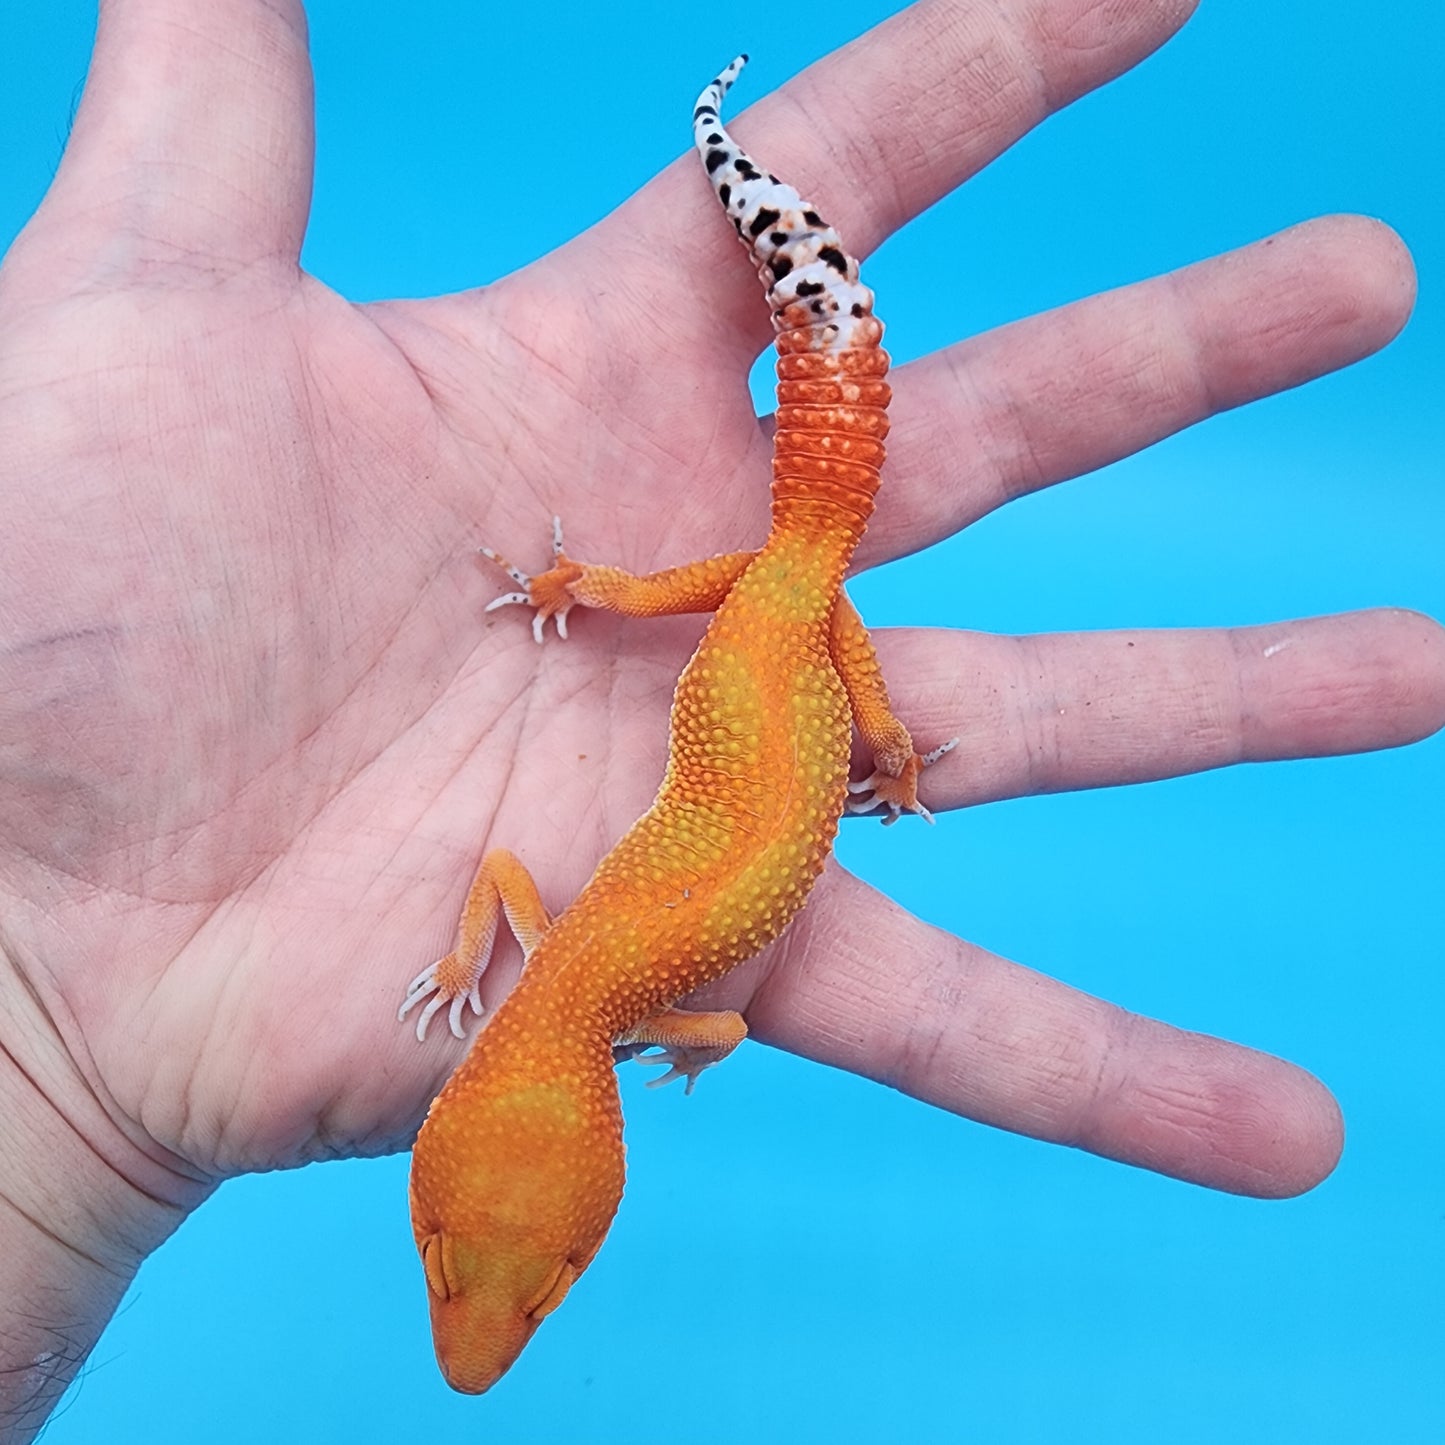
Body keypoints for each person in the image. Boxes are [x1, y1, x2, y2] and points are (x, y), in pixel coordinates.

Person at [0, 0, 1439, 1436]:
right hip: (777, 620)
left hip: (774, 614)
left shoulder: (636, 999)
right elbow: (521, 898)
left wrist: (838, 798)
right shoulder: (569, 971)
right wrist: (858, 747)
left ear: (452, 1148)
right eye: (519, 1277)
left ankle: (754, 219)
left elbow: (713, 1016)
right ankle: (755, 224)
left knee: (791, 568)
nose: (481, 1310)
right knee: (792, 568)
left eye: (459, 1263)